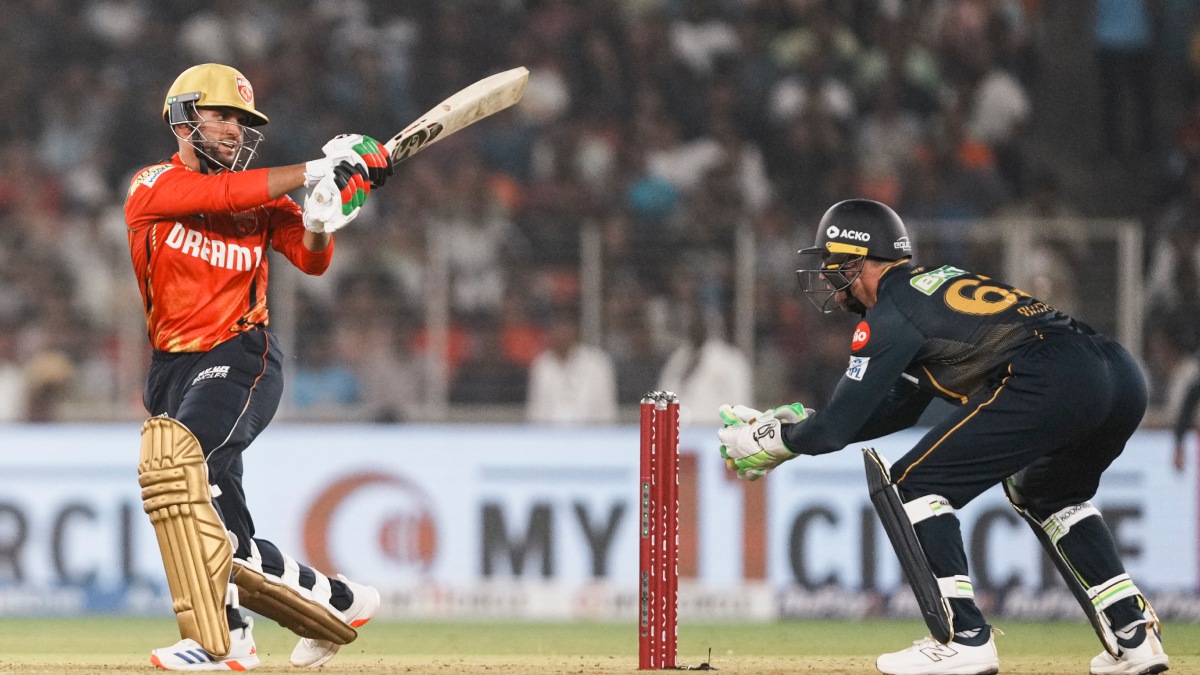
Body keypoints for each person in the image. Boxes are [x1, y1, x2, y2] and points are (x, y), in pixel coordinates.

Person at [717, 199, 1169, 675]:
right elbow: (894, 409)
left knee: (914, 485)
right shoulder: (930, 287)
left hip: (1051, 375)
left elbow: (834, 430)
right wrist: (799, 429)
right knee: (1048, 494)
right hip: (1119, 374)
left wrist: (779, 439)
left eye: (833, 263)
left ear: (857, 260)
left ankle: (964, 638)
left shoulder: (891, 312)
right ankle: (1134, 635)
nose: (827, 278)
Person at [124, 63, 393, 671]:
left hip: (240, 357)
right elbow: (219, 196)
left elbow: (313, 259)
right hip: (171, 370)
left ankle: (216, 642)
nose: (233, 129)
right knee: (223, 533)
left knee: (181, 475)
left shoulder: (263, 198)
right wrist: (316, 169)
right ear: (183, 119)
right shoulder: (151, 185)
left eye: (240, 121)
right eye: (221, 115)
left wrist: (321, 218)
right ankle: (335, 602)